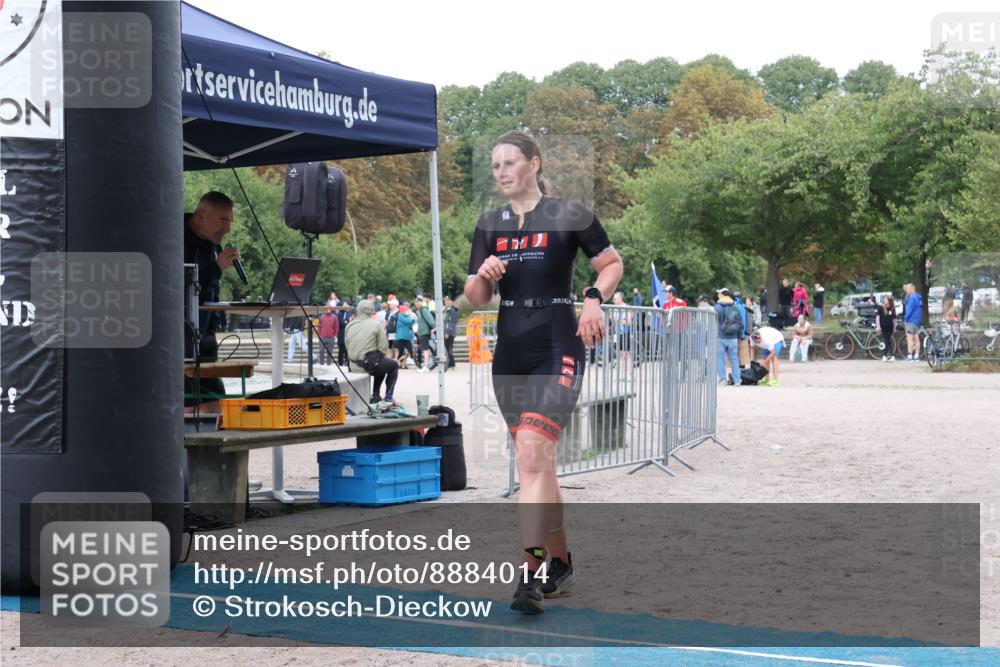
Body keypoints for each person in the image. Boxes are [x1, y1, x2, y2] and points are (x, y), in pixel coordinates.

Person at [464, 131, 623, 614]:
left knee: (532, 457)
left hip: (557, 344)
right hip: (510, 352)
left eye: (510, 162)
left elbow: (611, 264)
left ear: (533, 163)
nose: (501, 172)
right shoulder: (489, 224)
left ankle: (529, 572)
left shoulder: (569, 214)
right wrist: (483, 276)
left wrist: (593, 299)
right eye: (495, 165)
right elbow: (475, 298)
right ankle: (561, 562)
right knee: (538, 463)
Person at [184, 191, 239, 409]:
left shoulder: (212, 244)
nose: (227, 229)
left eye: (230, 222)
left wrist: (217, 319)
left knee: (217, 398)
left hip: (206, 338)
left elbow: (211, 289)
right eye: (223, 221)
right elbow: (179, 285)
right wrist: (216, 268)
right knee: (188, 400)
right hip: (181, 339)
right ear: (201, 215)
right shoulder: (174, 237)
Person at [344, 299, 398, 404]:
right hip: (368, 365)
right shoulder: (376, 325)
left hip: (353, 365)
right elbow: (383, 347)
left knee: (379, 360)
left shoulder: (349, 325)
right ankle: (388, 396)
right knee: (392, 365)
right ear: (371, 310)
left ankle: (376, 395)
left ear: (358, 310)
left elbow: (347, 346)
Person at [714, 289, 743, 385]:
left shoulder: (717, 307)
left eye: (719, 293)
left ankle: (723, 379)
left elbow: (715, 321)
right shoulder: (736, 307)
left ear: (722, 296)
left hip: (720, 336)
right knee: (734, 359)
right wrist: (740, 336)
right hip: (733, 337)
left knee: (720, 359)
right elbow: (740, 322)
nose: (718, 295)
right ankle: (737, 380)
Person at [414, 297, 437, 372]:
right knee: (424, 349)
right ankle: (426, 366)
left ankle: (426, 366)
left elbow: (430, 320)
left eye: (419, 302)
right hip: (421, 332)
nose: (417, 303)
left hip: (424, 332)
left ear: (422, 302)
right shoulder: (420, 311)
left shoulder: (424, 310)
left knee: (425, 350)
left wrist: (435, 327)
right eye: (416, 302)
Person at [902, 283, 923, 362]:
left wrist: (905, 319)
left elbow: (909, 310)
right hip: (917, 320)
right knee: (917, 339)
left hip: (910, 320)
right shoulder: (919, 297)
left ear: (912, 289)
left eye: (908, 289)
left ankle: (910, 355)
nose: (906, 291)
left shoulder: (912, 298)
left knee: (909, 339)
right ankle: (916, 356)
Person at [394, 302, 416, 369]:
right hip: (400, 337)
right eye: (406, 310)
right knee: (401, 352)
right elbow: (407, 321)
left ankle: (414, 363)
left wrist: (413, 320)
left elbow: (410, 325)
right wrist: (410, 317)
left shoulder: (407, 316)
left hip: (407, 337)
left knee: (410, 350)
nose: (408, 311)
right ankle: (399, 364)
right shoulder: (400, 316)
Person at [874, 295, 896, 362]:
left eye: (886, 299)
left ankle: (886, 356)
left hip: (890, 327)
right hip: (883, 327)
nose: (884, 300)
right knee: (887, 341)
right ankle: (889, 356)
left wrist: (894, 328)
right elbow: (877, 318)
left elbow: (894, 319)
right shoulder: (881, 308)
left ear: (889, 301)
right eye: (884, 299)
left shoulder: (892, 308)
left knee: (887, 341)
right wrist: (878, 326)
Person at [443, 296, 459, 370]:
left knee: (449, 349)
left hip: (450, 333)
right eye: (445, 301)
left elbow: (451, 323)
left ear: (452, 302)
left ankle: (451, 365)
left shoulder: (452, 311)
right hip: (446, 332)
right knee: (447, 349)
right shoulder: (445, 310)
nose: (447, 302)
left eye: (448, 300)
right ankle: (451, 365)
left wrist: (447, 332)